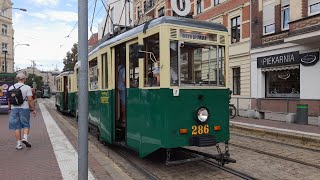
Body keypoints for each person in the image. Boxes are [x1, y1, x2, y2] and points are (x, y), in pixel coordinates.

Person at [8, 73, 37, 150]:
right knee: (26, 124)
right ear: (24, 79)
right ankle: (25, 138)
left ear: (17, 79)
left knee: (16, 127)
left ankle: (19, 144)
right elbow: (30, 99)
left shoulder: (11, 87)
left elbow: (9, 100)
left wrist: (9, 109)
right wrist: (33, 109)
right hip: (24, 108)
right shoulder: (27, 87)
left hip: (14, 109)